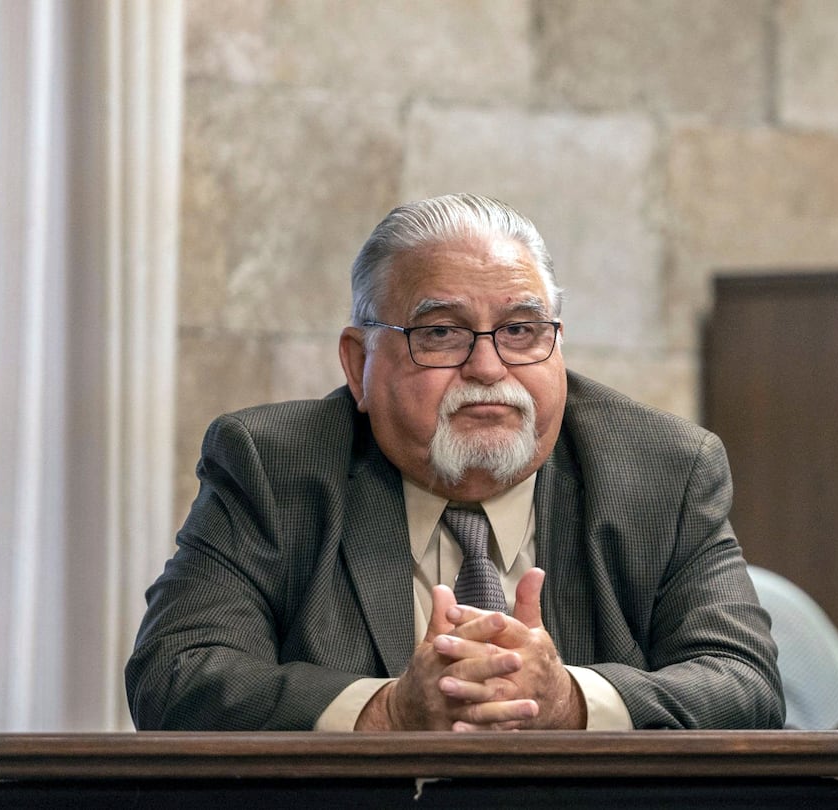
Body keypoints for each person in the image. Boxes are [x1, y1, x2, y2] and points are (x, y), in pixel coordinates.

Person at [126, 193, 784, 731]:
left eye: (521, 331)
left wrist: (572, 702)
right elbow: (176, 675)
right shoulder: (274, 467)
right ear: (359, 364)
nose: (489, 369)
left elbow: (744, 683)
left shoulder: (663, 470)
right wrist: (388, 712)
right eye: (440, 332)